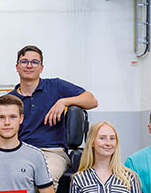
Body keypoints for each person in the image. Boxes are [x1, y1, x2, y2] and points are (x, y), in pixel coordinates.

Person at [9, 45, 98, 184]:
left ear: (41, 67)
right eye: (24, 61)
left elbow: (92, 100)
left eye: (34, 62)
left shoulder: (56, 86)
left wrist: (64, 102)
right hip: (21, 152)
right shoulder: (10, 100)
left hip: (52, 153)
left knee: (45, 178)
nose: (29, 66)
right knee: (9, 179)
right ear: (17, 67)